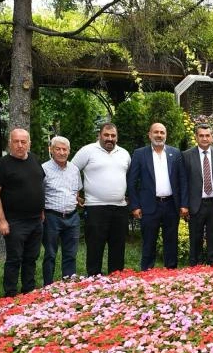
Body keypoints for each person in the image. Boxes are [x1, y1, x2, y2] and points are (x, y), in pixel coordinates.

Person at [0, 128, 46, 297]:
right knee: (15, 259)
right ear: (10, 143)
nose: (20, 145)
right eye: (16, 141)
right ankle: (10, 295)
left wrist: (41, 210)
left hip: (36, 220)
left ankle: (28, 291)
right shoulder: (1, 165)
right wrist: (1, 220)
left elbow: (38, 186)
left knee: (31, 258)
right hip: (14, 221)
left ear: (29, 143)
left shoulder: (35, 159)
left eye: (23, 142)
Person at [71, 123, 131, 276]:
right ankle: (94, 280)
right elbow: (71, 170)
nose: (109, 138)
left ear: (117, 137)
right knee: (95, 247)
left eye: (113, 136)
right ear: (100, 135)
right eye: (106, 135)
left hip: (120, 208)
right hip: (96, 208)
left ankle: (116, 280)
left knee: (118, 248)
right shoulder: (87, 151)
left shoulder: (124, 154)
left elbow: (128, 176)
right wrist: (75, 193)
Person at [127, 122, 187, 270]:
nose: (159, 135)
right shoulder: (140, 154)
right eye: (156, 132)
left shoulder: (175, 153)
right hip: (149, 205)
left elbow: (183, 180)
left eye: (162, 132)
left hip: (171, 205)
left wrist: (184, 204)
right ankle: (147, 273)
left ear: (166, 135)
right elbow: (131, 182)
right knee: (149, 242)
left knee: (171, 241)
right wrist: (134, 205)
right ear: (150, 134)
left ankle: (171, 272)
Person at [181, 123, 213, 266]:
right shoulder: (186, 155)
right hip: (196, 204)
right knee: (196, 238)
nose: (204, 138)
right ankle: (196, 266)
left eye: (207, 135)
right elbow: (183, 182)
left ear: (212, 137)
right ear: (196, 137)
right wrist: (184, 204)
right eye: (201, 135)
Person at [42, 136, 82, 285]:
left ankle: (68, 285)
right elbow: (40, 193)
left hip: (72, 217)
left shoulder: (74, 169)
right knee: (50, 254)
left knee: (71, 254)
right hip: (52, 216)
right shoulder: (44, 169)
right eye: (57, 149)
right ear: (51, 150)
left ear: (69, 151)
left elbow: (76, 192)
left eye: (64, 149)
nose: (61, 152)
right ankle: (48, 285)